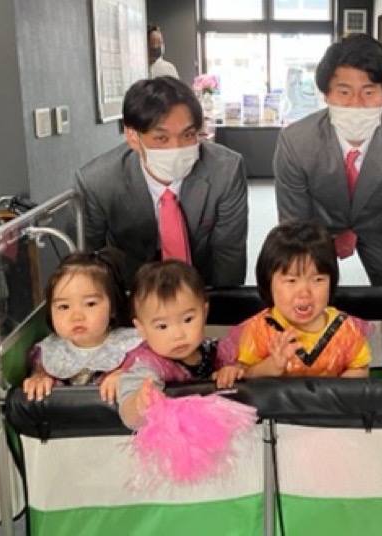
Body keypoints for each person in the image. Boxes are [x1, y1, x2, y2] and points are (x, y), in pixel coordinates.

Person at [273, 33, 382, 290]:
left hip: (381, 225)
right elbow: (294, 224)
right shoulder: (296, 142)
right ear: (326, 94)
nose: (356, 104)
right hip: (318, 225)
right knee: (310, 290)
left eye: (369, 92)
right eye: (344, 92)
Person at [73, 76, 248, 287]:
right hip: (130, 289)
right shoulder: (97, 182)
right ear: (133, 136)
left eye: (188, 135)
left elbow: (229, 254)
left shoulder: (226, 171)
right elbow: (86, 266)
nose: (176, 148)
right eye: (161, 138)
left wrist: (222, 304)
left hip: (202, 287)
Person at [217, 222, 371, 383]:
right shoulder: (259, 330)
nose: (304, 294)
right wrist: (272, 366)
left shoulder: (346, 328)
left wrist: (337, 389)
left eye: (318, 280)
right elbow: (246, 373)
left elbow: (360, 367)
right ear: (268, 282)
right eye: (291, 281)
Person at [117, 260, 242, 430]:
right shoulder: (148, 365)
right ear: (142, 329)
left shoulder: (216, 349)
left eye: (188, 319)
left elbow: (245, 366)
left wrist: (233, 370)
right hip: (172, 438)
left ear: (204, 312)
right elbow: (128, 412)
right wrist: (140, 403)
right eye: (162, 326)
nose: (178, 335)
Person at [22, 247, 142, 402]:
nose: (76, 316)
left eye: (90, 304)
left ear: (112, 307)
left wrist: (128, 375)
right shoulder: (47, 352)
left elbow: (158, 367)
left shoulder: (134, 346)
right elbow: (39, 374)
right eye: (64, 307)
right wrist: (39, 378)